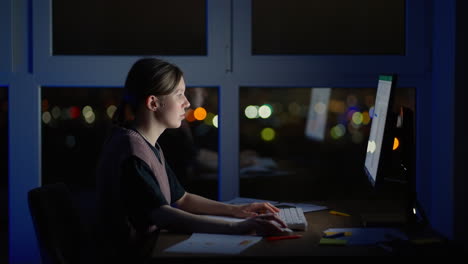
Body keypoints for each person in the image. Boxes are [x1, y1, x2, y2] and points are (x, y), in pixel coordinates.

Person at [95, 58, 288, 261]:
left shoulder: (148, 145)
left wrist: (238, 211)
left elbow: (182, 199)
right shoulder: (131, 150)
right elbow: (163, 215)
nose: (186, 103)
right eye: (179, 94)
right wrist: (238, 227)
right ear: (153, 103)